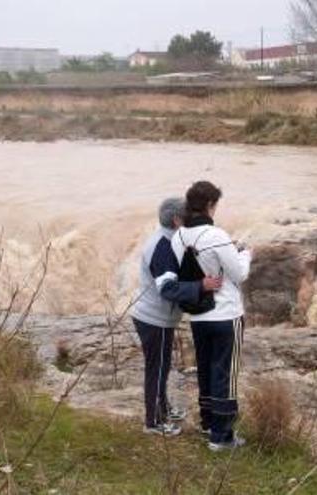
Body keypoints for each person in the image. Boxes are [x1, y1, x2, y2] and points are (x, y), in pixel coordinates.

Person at [171, 181, 252, 452]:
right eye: (215, 204)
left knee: (205, 371)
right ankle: (222, 436)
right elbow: (239, 275)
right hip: (226, 314)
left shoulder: (178, 237)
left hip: (198, 316)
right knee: (225, 374)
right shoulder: (216, 235)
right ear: (209, 205)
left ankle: (208, 423)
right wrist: (245, 254)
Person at [131, 197, 222, 436]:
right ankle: (153, 422)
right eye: (188, 217)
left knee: (162, 365)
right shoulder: (162, 248)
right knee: (157, 369)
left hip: (156, 317)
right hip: (153, 319)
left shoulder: (168, 240)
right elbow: (168, 289)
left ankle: (163, 409)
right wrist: (202, 286)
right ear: (176, 220)